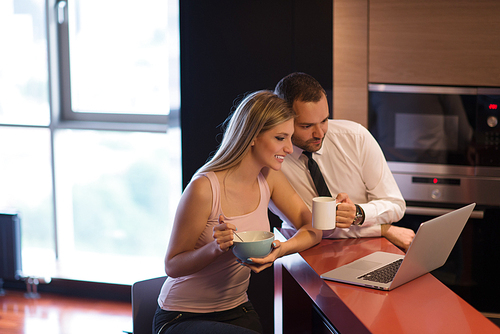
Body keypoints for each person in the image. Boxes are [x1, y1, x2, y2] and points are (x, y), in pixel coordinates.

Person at [153, 90, 322, 334]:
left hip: (237, 309)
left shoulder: (269, 177)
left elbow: (313, 229)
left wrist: (280, 250)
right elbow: (173, 265)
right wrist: (214, 247)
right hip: (181, 315)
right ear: (252, 136)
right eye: (280, 138)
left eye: (290, 137)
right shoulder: (204, 188)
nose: (288, 148)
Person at [269, 72, 415, 251]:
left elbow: (396, 205)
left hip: (363, 248)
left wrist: (359, 214)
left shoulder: (356, 137)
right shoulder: (270, 157)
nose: (320, 133)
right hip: (302, 253)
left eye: (324, 120)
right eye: (306, 126)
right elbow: (317, 228)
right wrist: (383, 229)